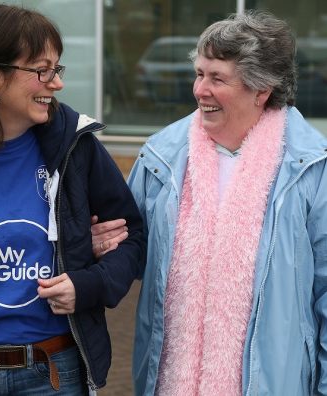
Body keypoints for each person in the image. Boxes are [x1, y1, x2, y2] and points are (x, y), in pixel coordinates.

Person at [92, 10, 327, 395]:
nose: (200, 90)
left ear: (261, 89)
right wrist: (104, 246)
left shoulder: (310, 169)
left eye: (217, 78)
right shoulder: (161, 159)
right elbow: (133, 250)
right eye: (200, 74)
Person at [0, 4, 145, 395]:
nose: (56, 83)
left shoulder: (76, 148)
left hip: (52, 372)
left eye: (56, 69)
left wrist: (89, 283)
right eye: (41, 70)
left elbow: (133, 238)